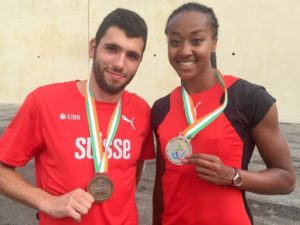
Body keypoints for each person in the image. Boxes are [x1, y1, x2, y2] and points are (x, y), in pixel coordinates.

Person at [0, 8, 155, 225]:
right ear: (93, 48)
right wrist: (47, 201)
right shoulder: (44, 102)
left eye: (132, 56)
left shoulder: (141, 110)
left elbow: (133, 171)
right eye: (112, 49)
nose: (120, 63)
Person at [151, 2, 296, 225]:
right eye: (175, 42)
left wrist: (232, 176)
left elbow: (286, 179)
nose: (184, 50)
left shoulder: (248, 98)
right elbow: (162, 183)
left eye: (196, 40)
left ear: (214, 44)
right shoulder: (161, 108)